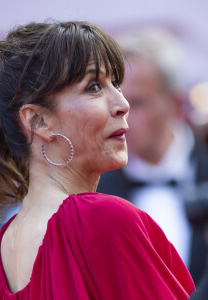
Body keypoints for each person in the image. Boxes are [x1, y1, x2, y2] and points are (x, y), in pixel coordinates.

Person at [0, 21, 195, 299]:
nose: (122, 103)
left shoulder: (2, 249)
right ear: (39, 120)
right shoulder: (104, 220)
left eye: (115, 83)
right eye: (93, 87)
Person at [96, 28, 208, 287]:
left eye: (136, 102)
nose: (119, 116)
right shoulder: (92, 193)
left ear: (176, 105)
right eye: (110, 102)